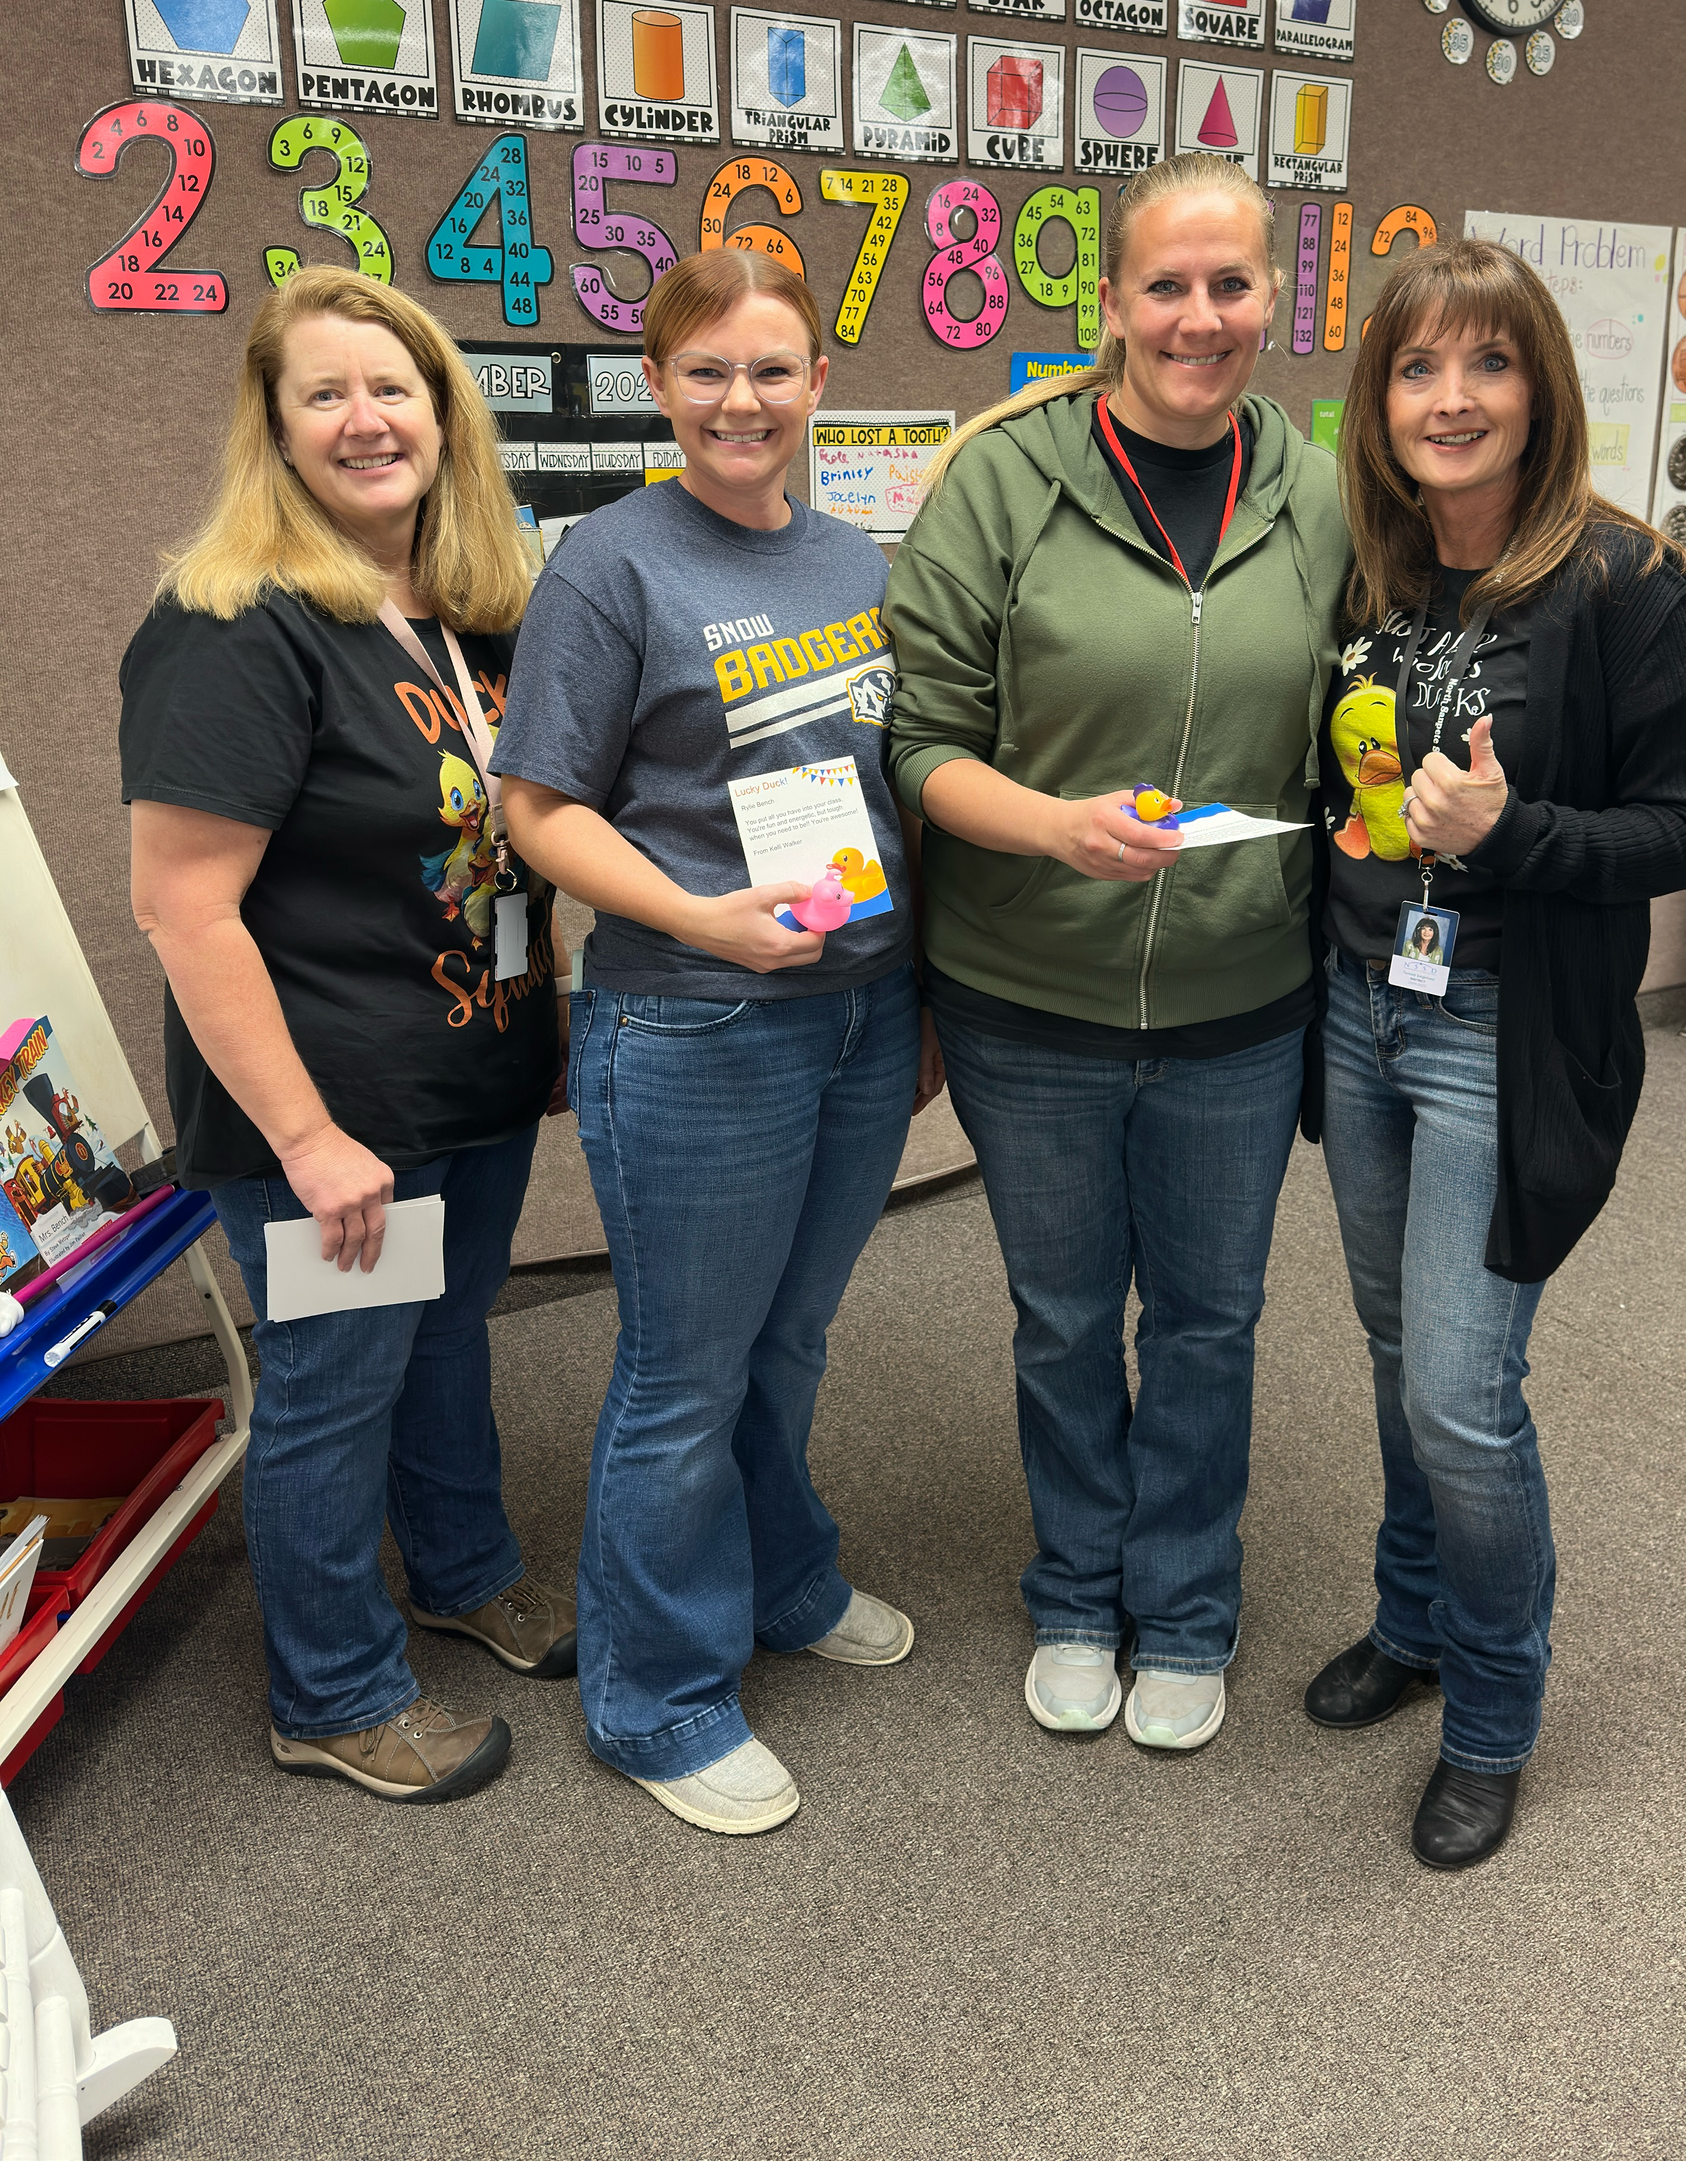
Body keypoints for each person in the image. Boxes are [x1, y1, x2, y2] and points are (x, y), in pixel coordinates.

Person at [884, 152, 1350, 1753]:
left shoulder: (1324, 492)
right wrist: (1052, 826)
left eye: (1231, 285)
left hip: (1242, 1001)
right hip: (1033, 998)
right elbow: (922, 744)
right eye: (1168, 284)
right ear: (1110, 301)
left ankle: (1190, 1606)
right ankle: (1080, 1592)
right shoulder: (1002, 482)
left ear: (1273, 300)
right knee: (1069, 1316)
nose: (1199, 317)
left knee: (1211, 1322)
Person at [494, 251, 940, 1838]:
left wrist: (923, 1002)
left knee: (790, 1341)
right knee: (682, 1375)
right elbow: (539, 810)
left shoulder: (855, 561)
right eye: (707, 373)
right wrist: (698, 918)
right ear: (660, 384)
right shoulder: (609, 567)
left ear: (820, 383)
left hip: (861, 1017)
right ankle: (657, 1695)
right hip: (695, 1027)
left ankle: (782, 1578)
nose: (741, 402)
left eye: (771, 371)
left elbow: (896, 788)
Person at [120, 267, 571, 1804]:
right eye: (327, 393)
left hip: (472, 1077)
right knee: (332, 1384)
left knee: (450, 1342)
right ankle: (331, 1690)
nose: (368, 420)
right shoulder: (235, 625)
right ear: (277, 426)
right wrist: (309, 1141)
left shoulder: (471, 610)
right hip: (328, 1116)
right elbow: (185, 909)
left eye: (396, 389)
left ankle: (462, 1567)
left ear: (446, 417)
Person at [1304, 236, 1686, 1867]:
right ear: (1382, 397)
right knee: (1402, 1357)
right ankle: (1413, 1624)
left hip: (1500, 1031)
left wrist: (1517, 830)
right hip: (1360, 1006)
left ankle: (1491, 1710)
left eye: (1489, 363)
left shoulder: (1626, 583)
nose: (1453, 397)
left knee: (1471, 1396)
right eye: (1419, 367)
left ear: (1540, 386)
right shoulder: (1374, 573)